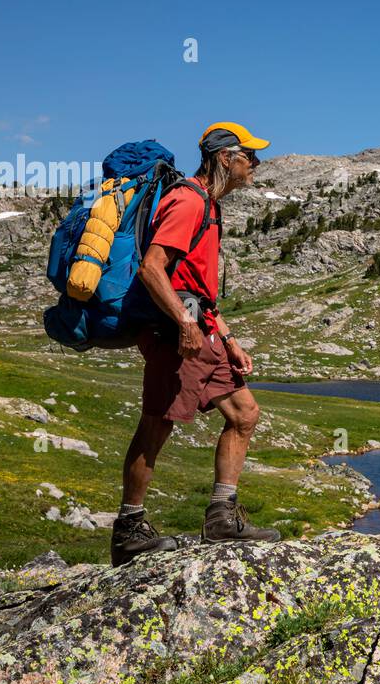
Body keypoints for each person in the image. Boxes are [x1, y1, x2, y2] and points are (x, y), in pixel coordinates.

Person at [110, 122, 281, 567]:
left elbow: (200, 290)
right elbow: (152, 268)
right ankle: (129, 529)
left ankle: (222, 517)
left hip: (202, 330)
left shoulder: (209, 205)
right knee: (157, 425)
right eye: (250, 156)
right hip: (176, 335)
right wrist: (184, 322)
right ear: (226, 157)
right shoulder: (187, 200)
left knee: (244, 414)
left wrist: (229, 339)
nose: (256, 165)